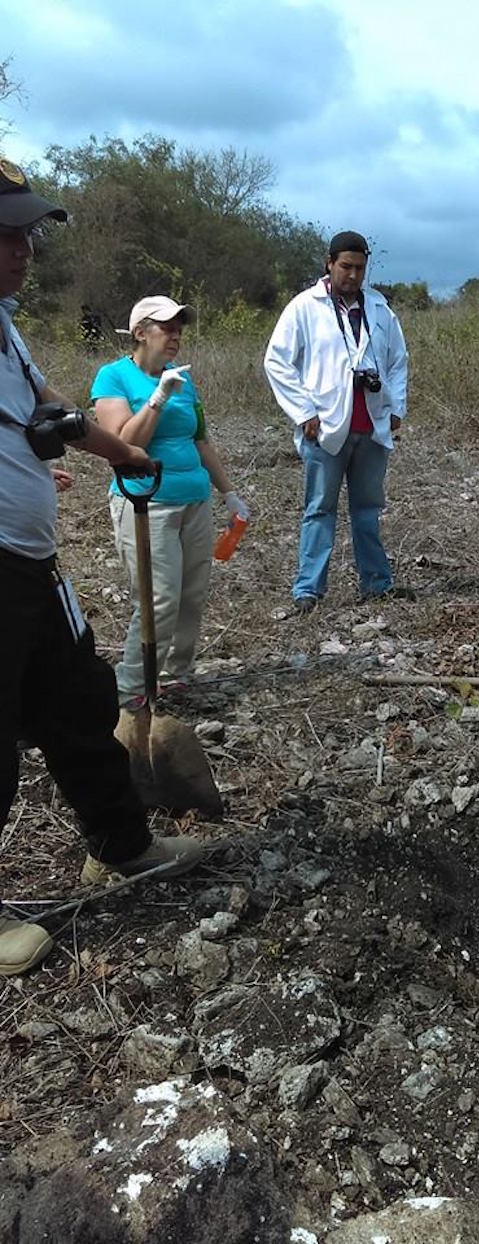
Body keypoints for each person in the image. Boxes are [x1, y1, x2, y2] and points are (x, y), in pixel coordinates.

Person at [0, 160, 203, 978]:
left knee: (80, 703)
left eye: (26, 234)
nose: (25, 250)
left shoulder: (4, 324)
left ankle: (123, 843)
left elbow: (48, 406)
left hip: (31, 563)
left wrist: (121, 453)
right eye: (7, 235)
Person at [91, 296, 249, 707]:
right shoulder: (113, 378)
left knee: (191, 594)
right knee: (158, 597)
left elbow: (200, 440)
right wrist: (158, 398)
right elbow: (121, 445)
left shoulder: (183, 379)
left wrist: (229, 492)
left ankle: (175, 674)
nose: (176, 333)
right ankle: (133, 687)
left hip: (194, 500)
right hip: (147, 503)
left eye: (180, 326)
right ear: (140, 332)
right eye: (167, 326)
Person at [264, 230, 410, 611]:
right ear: (329, 264)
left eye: (360, 268)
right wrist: (303, 411)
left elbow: (397, 361)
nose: (353, 275)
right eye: (346, 266)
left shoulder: (379, 308)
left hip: (371, 425)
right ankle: (308, 590)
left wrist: (396, 407)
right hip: (325, 426)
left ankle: (377, 583)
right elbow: (277, 361)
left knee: (367, 509)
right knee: (319, 508)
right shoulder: (304, 306)